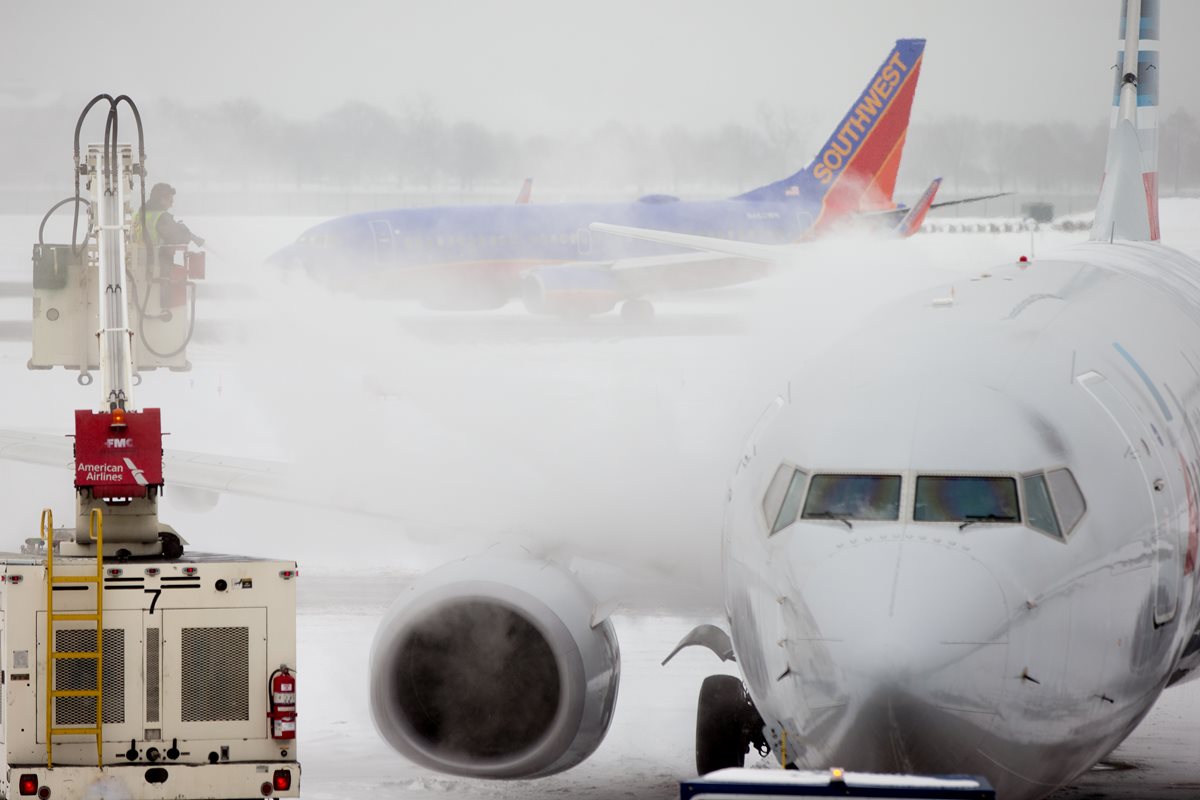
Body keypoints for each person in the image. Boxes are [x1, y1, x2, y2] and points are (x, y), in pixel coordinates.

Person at [133, 183, 204, 264]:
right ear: (162, 200)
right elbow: (175, 238)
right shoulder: (162, 217)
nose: (172, 204)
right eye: (170, 200)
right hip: (157, 264)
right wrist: (187, 234)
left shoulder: (138, 215)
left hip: (138, 262)